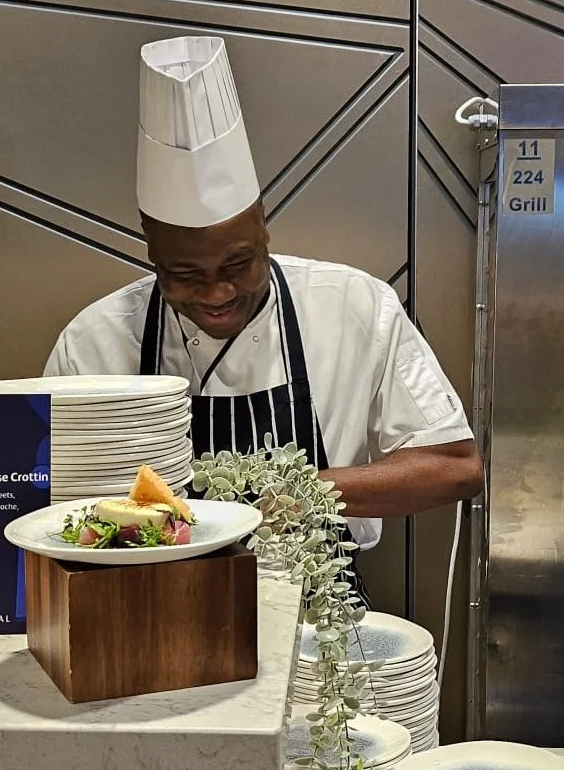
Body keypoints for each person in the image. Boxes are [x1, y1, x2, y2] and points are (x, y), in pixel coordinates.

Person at [44, 34, 482, 553]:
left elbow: (455, 467)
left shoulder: (355, 308)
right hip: (148, 606)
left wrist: (292, 492)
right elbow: (48, 500)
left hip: (318, 612)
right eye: (184, 273)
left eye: (238, 262)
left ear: (264, 229)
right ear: (150, 250)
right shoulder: (91, 343)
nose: (216, 292)